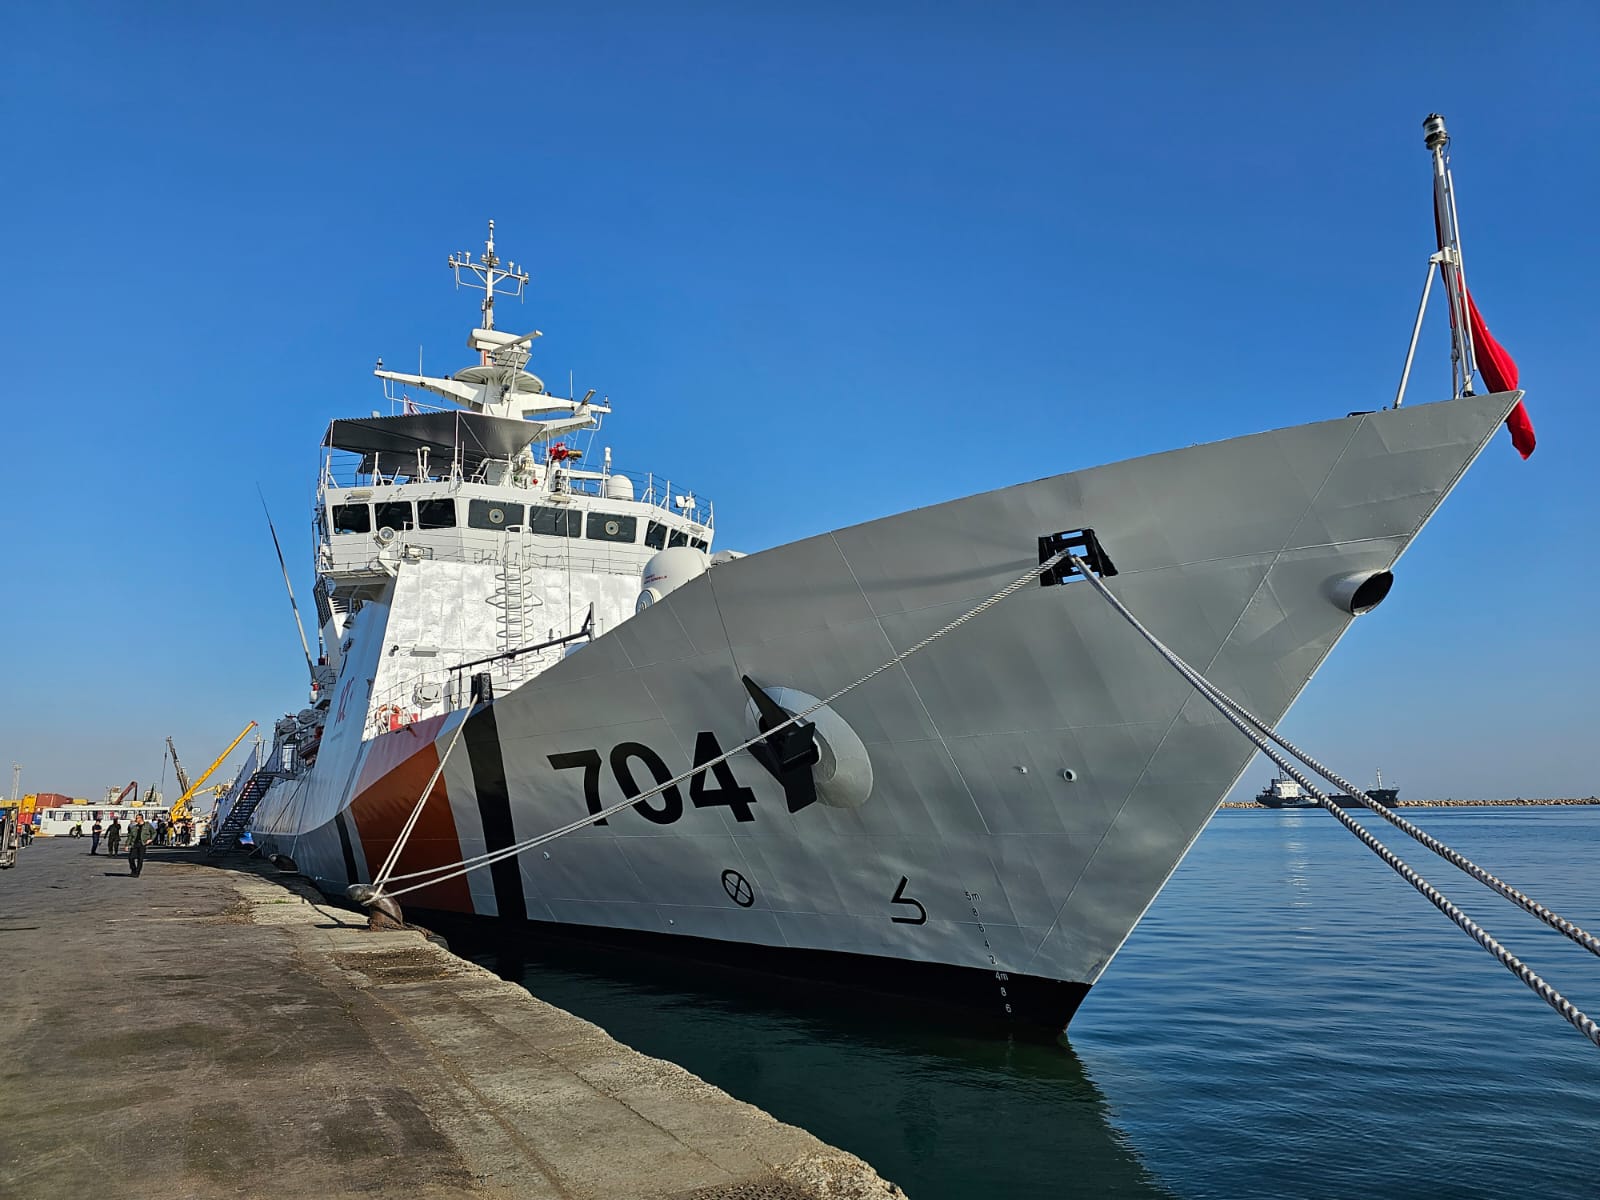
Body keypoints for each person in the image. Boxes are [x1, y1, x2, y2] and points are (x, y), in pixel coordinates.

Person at [127, 813, 155, 877]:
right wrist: (127, 845)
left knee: (140, 859)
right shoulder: (134, 827)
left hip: (143, 843)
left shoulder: (147, 825)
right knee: (131, 858)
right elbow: (130, 836)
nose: (136, 819)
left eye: (137, 818)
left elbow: (154, 832)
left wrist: (151, 839)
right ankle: (133, 870)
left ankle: (137, 873)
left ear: (141, 818)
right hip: (135, 843)